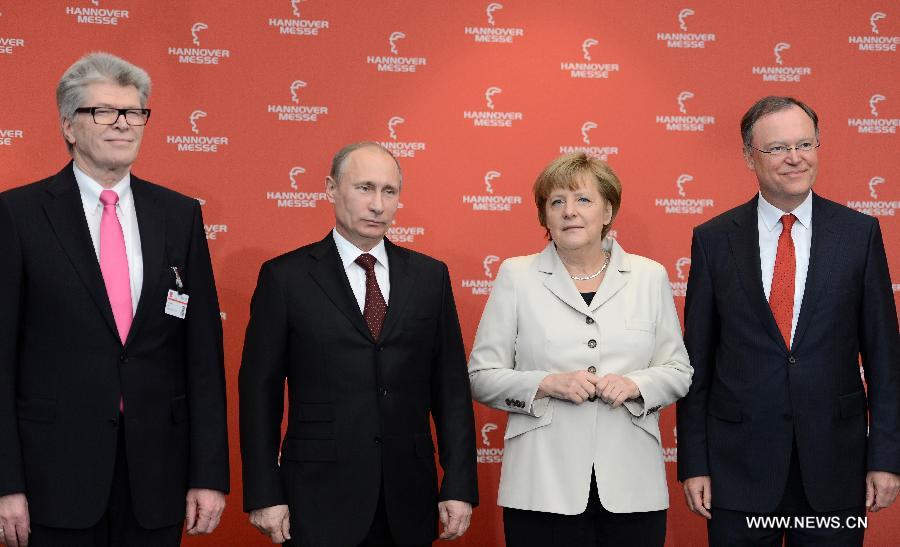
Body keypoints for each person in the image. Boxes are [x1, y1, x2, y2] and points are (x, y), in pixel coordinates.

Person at [0, 52, 229, 547]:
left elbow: (203, 357)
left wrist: (208, 473)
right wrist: (5, 483)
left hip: (157, 477)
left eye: (134, 112)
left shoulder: (179, 215)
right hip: (52, 478)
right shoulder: (17, 215)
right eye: (104, 112)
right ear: (68, 125)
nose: (123, 124)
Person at [677, 96, 900, 546]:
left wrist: (887, 458)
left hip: (835, 466)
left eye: (805, 143)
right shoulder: (714, 240)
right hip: (737, 469)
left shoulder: (859, 234)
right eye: (777, 148)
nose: (795, 158)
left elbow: (885, 362)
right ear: (749, 156)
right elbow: (696, 364)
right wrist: (695, 463)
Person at [239, 141, 478, 547]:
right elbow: (258, 394)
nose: (378, 204)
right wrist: (265, 492)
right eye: (365, 188)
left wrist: (458, 485)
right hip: (316, 496)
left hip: (409, 495)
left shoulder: (429, 276)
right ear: (331, 189)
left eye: (389, 191)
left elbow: (451, 389)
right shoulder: (286, 277)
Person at [468, 152, 693, 547]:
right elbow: (482, 377)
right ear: (545, 217)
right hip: (540, 486)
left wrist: (637, 385)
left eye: (583, 200)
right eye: (557, 202)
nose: (570, 211)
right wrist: (547, 383)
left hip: (632, 486)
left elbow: (678, 370)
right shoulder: (516, 276)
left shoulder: (649, 276)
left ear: (608, 210)